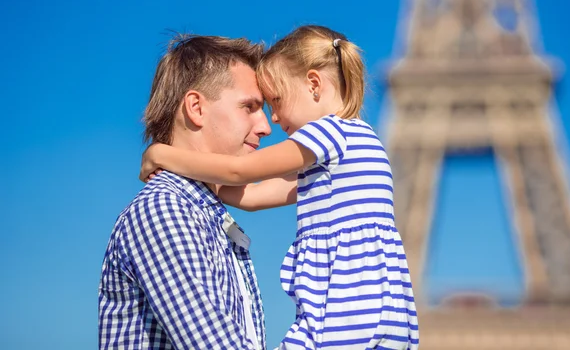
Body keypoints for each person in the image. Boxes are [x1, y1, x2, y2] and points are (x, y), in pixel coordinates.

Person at [140, 25, 420, 349]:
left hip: (344, 311)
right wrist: (208, 185)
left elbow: (239, 170)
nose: (272, 119)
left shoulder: (329, 132)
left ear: (314, 84)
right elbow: (255, 195)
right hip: (380, 310)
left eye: (276, 101)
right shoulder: (357, 147)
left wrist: (163, 154)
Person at [98, 34, 271, 349]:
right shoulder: (165, 208)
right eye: (250, 107)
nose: (265, 126)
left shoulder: (205, 213)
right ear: (196, 108)